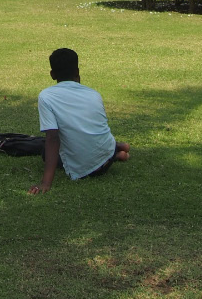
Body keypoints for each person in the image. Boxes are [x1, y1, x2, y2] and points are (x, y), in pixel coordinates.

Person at [29, 48, 129, 195]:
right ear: (77, 72)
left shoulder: (46, 96)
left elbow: (52, 137)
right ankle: (117, 150)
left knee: (46, 153)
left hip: (88, 169)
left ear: (52, 74)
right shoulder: (94, 94)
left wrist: (45, 183)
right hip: (107, 158)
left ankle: (118, 152)